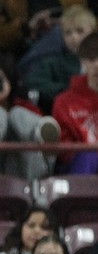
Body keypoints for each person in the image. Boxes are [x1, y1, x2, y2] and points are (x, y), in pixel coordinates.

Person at [25, 4, 98, 113]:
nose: (74, 37)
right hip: (69, 111)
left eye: (80, 31)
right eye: (68, 33)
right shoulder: (54, 62)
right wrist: (66, 89)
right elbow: (33, 81)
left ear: (93, 32)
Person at [52, 31, 98, 173]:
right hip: (79, 166)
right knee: (89, 155)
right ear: (82, 62)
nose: (97, 64)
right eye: (91, 59)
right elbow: (64, 153)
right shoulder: (63, 102)